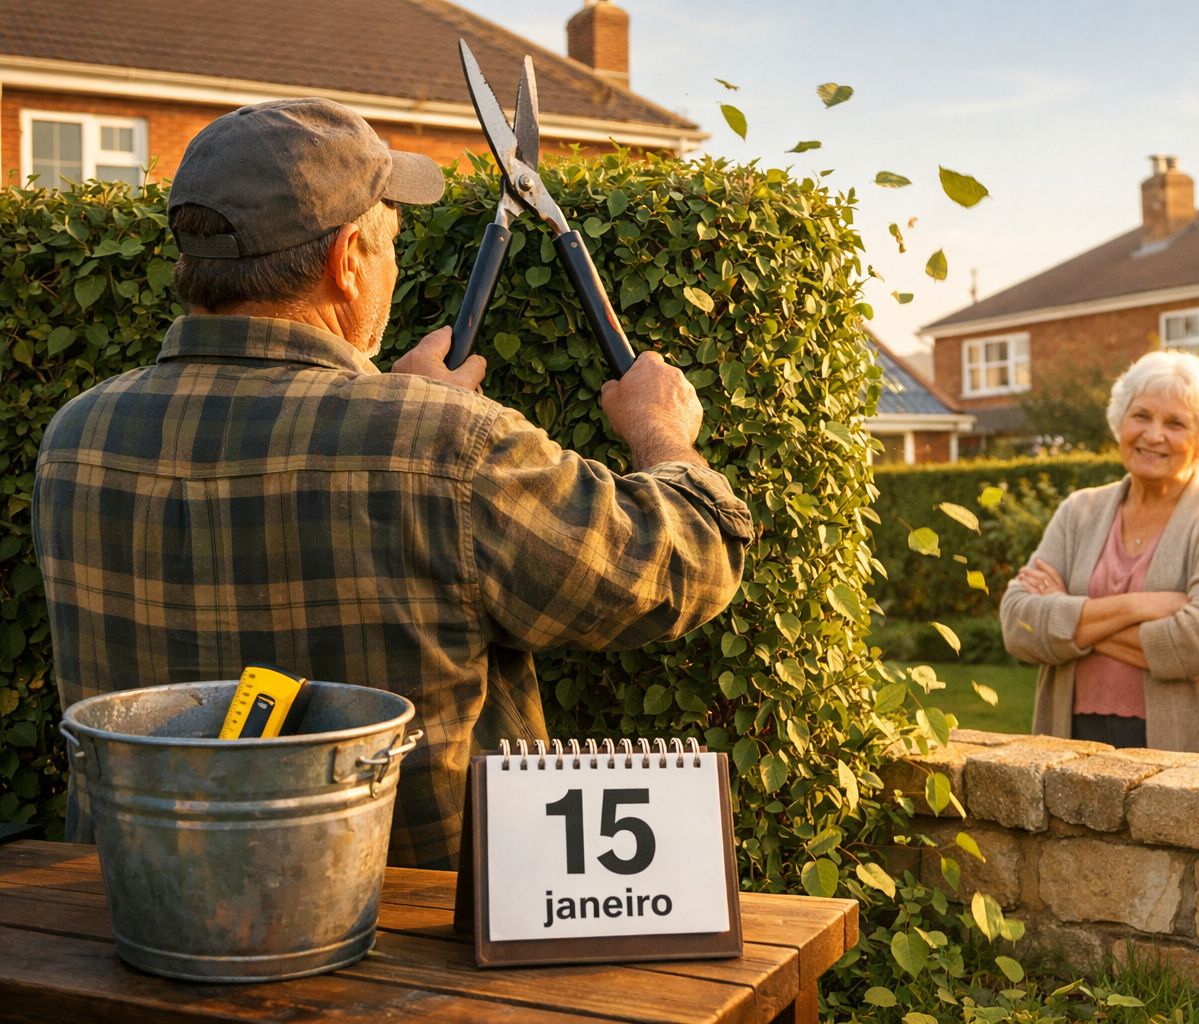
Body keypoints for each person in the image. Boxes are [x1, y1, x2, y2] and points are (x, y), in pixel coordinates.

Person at [33, 98, 752, 869]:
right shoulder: (447, 447)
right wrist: (662, 431)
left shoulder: (76, 436)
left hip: (144, 923)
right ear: (347, 261)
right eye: (389, 246)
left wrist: (396, 402)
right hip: (406, 944)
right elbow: (684, 564)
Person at [1000, 350, 1199, 754]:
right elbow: (1018, 624)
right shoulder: (1079, 511)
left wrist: (1066, 612)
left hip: (1191, 750)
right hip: (1071, 742)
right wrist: (1143, 605)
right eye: (1141, 415)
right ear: (1120, 422)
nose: (1154, 434)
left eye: (1175, 423)